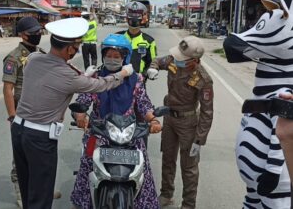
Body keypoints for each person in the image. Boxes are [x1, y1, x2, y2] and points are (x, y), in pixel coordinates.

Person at [11, 18, 133, 209]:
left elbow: (55, 82)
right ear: (69, 49)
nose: (77, 50)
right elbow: (102, 85)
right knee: (41, 194)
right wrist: (123, 73)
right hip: (40, 137)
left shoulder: (34, 59)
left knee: (28, 187)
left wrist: (83, 76)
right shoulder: (68, 75)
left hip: (18, 129)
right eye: (76, 46)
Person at [70, 34, 161, 209]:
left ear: (125, 57)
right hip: (99, 132)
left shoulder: (136, 79)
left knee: (144, 167)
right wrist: (80, 115)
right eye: (108, 55)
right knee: (86, 163)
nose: (111, 59)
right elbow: (83, 99)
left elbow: (144, 104)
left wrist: (153, 119)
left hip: (128, 133)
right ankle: (84, 203)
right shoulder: (95, 77)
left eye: (116, 56)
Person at [147, 36, 214, 209]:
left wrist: (200, 139)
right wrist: (153, 68)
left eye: (181, 59)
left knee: (189, 167)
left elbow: (207, 112)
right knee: (168, 159)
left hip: (188, 123)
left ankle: (188, 204)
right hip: (169, 118)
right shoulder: (173, 60)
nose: (176, 60)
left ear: (194, 60)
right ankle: (167, 194)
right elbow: (157, 61)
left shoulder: (203, 79)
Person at [2, 16, 44, 208]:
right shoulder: (13, 57)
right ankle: (21, 191)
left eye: (39, 31)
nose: (38, 35)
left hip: (40, 111)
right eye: (34, 33)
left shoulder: (41, 53)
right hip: (21, 112)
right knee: (20, 155)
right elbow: (8, 89)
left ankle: (38, 190)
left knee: (39, 153)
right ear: (23, 34)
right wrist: (12, 116)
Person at [116, 1, 157, 78]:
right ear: (126, 19)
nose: (134, 21)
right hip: (118, 80)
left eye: (136, 19)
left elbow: (152, 63)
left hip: (138, 82)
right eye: (131, 18)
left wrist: (145, 74)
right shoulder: (117, 37)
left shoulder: (149, 41)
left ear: (142, 20)